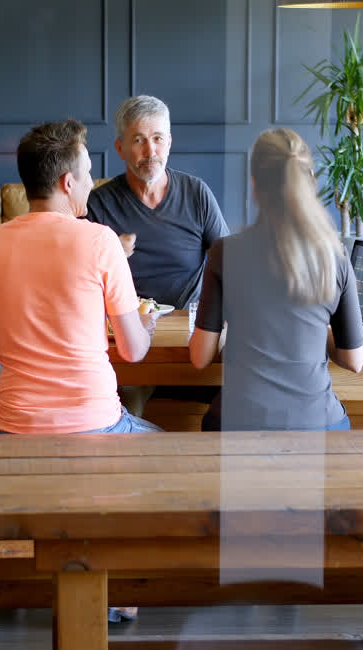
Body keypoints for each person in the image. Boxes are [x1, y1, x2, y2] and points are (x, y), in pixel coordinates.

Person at [0, 118, 162, 437]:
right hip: (97, 427)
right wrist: (145, 327)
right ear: (68, 182)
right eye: (87, 174)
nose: (91, 183)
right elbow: (133, 351)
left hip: (15, 431)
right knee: (173, 448)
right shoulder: (103, 241)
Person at [189, 128, 363, 432]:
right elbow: (354, 359)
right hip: (317, 426)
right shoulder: (335, 257)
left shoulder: (224, 252)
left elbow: (200, 356)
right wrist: (311, 331)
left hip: (237, 425)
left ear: (254, 186)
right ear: (309, 182)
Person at [86, 95, 231, 416]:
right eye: (138, 140)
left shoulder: (196, 193)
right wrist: (110, 255)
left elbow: (229, 265)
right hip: (125, 335)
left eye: (158, 139)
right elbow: (73, 280)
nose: (150, 152)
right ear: (121, 147)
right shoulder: (98, 204)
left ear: (169, 143)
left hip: (190, 333)